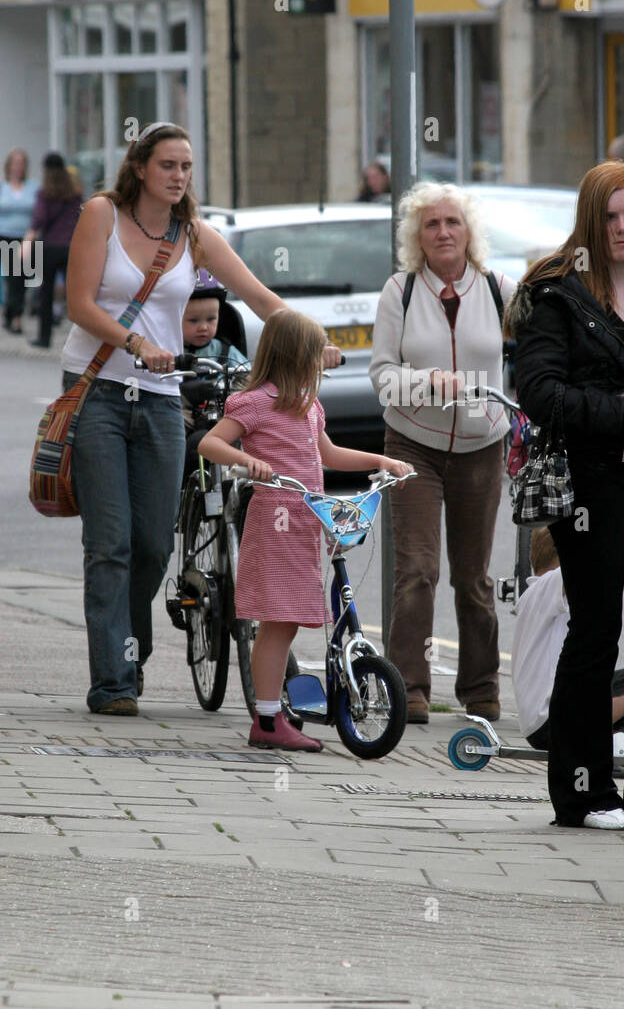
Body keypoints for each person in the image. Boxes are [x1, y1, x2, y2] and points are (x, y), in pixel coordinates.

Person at [60, 121, 343, 717]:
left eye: (186, 167)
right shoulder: (101, 215)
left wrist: (313, 341)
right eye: (168, 165)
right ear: (140, 167)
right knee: (109, 543)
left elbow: (262, 297)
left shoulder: (194, 235)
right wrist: (137, 345)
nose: (179, 176)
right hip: (100, 391)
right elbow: (80, 303)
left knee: (154, 545)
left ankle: (129, 651)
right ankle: (113, 679)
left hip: (163, 398)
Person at [507, 160, 624, 829]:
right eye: (610, 217)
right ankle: (583, 794)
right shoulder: (554, 293)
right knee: (596, 629)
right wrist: (623, 409)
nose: (622, 229)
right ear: (591, 220)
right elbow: (538, 392)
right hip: (589, 482)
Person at [197, 308, 413, 751]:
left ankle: (274, 713)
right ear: (294, 356)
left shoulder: (308, 404)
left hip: (305, 521)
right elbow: (209, 443)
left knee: (288, 621)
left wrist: (379, 460)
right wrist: (246, 460)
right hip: (275, 521)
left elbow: (328, 455)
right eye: (316, 355)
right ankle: (268, 722)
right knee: (279, 622)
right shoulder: (255, 402)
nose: (322, 363)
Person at [369, 182, 516, 724]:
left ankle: (480, 691)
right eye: (431, 225)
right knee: (417, 571)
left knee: (473, 577)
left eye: (452, 222)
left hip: (482, 444)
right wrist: (428, 383)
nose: (444, 232)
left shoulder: (500, 289)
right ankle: (408, 687)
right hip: (413, 444)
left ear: (469, 231)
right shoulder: (400, 292)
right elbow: (382, 377)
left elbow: (535, 350)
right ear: (418, 237)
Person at [511, 529, 624, 768]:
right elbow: (582, 569)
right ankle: (600, 737)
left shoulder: (541, 597)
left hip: (546, 716)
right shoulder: (545, 587)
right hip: (550, 718)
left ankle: (611, 735)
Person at [179, 270, 250, 483]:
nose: (203, 327)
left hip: (219, 412)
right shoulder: (166, 350)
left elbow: (246, 380)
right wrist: (183, 393)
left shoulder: (226, 351)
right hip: (182, 412)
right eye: (193, 321)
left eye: (211, 319)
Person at [23, 153, 82, 349]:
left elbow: (40, 218)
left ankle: (44, 338)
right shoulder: (75, 192)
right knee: (75, 295)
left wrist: (29, 237)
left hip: (48, 248)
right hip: (70, 247)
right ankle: (81, 339)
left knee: (46, 294)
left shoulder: (44, 192)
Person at [0, 147, 39, 332]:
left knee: (25, 278)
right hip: (7, 236)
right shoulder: (3, 187)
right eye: (16, 163)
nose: (19, 167)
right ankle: (13, 316)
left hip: (29, 237)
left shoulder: (33, 187)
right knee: (12, 277)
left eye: (22, 163)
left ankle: (13, 313)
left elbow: (39, 212)